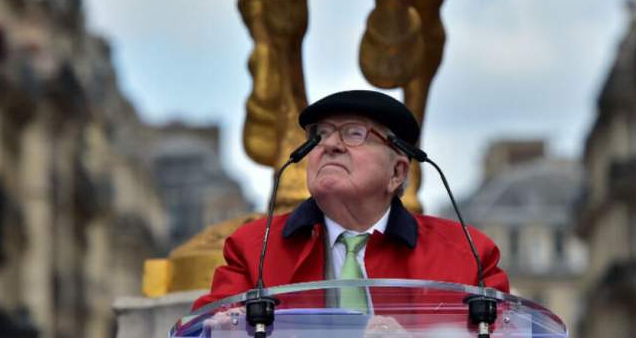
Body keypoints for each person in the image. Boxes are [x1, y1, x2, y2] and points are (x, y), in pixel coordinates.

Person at [191, 90, 509, 311]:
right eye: (320, 135)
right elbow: (205, 327)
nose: (330, 144)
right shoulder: (253, 248)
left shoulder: (467, 254)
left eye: (354, 133)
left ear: (396, 172)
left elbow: (504, 330)